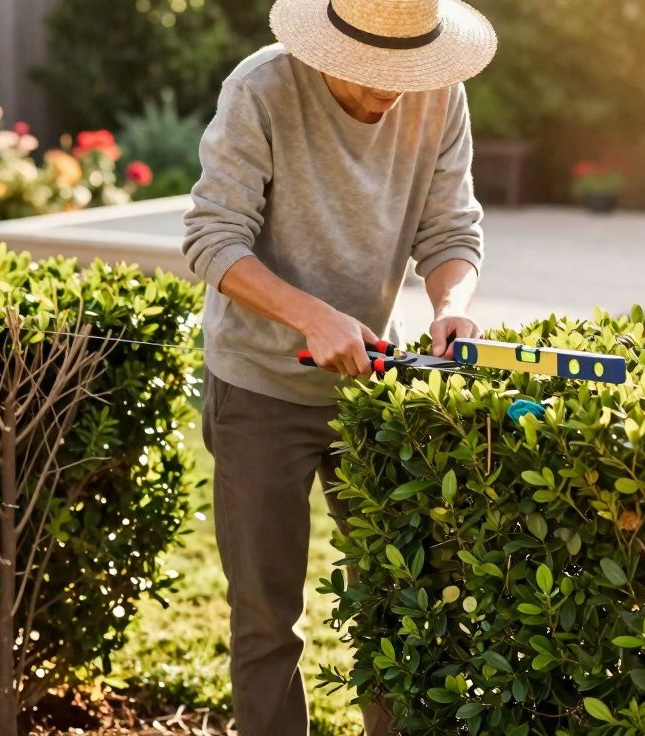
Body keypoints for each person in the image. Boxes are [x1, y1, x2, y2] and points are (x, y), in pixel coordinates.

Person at [182, 0, 497, 732]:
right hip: (260, 386)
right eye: (371, 69)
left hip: (370, 390)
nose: (391, 87)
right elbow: (211, 240)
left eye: (404, 68)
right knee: (267, 617)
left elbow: (452, 229)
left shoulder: (439, 92)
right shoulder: (260, 90)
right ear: (323, 49)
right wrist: (311, 315)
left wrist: (451, 303)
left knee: (393, 598)